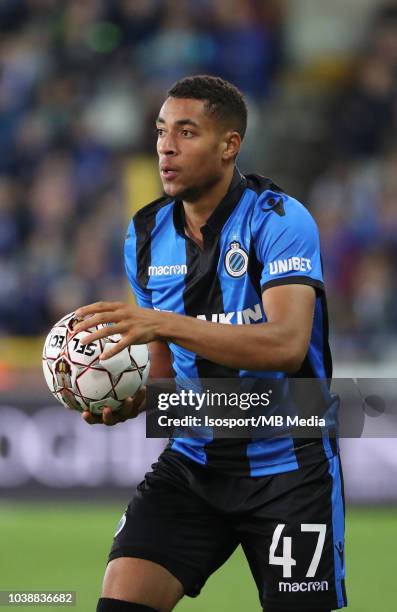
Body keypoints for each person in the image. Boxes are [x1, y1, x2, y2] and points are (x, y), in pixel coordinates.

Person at [74, 75, 347, 612]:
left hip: (288, 470)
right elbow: (165, 376)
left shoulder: (280, 220)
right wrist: (132, 398)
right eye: (160, 132)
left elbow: (287, 346)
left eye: (186, 132)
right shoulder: (146, 233)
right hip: (193, 463)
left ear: (229, 145)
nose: (166, 147)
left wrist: (165, 323)